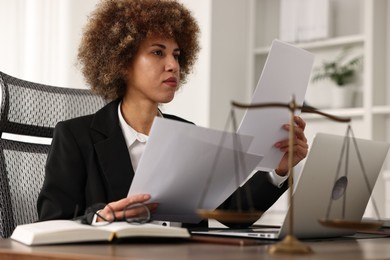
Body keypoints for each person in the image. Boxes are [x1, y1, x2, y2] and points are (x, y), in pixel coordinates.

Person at [37, 0, 308, 228]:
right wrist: (99, 218)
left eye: (177, 55)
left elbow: (233, 213)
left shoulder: (187, 133)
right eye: (158, 52)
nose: (172, 65)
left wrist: (278, 171)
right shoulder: (75, 136)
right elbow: (52, 222)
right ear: (121, 63)